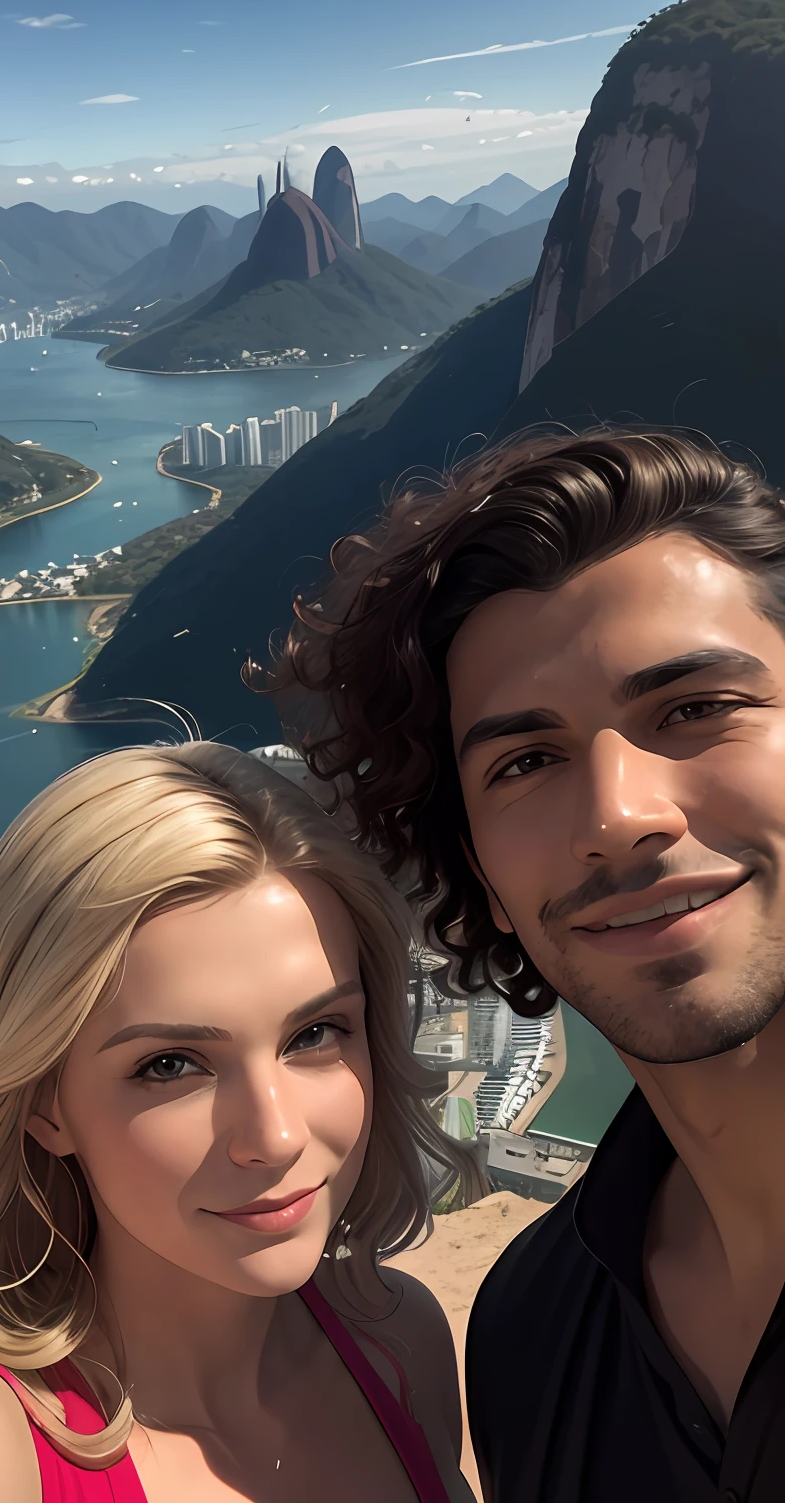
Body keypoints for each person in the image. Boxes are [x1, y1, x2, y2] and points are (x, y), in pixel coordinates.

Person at [267, 427, 785, 1502]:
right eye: (526, 761)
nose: (617, 816)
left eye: (695, 709)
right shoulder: (530, 1337)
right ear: (481, 874)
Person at [0, 741, 478, 1503]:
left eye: (315, 1034)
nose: (276, 1137)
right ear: (43, 1102)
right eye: (170, 1065)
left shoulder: (404, 1344)